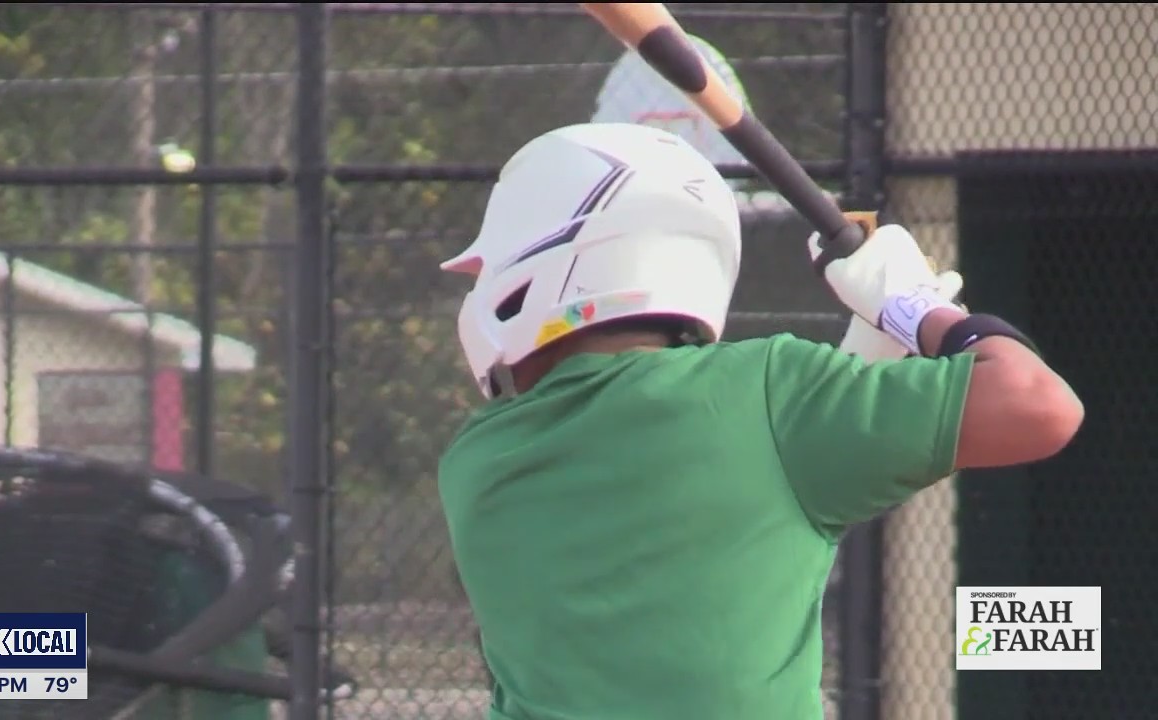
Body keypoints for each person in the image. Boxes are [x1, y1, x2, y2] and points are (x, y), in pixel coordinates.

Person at [435, 122, 1083, 720]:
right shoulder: (772, 394)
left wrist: (855, 371)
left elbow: (741, 513)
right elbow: (1037, 405)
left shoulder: (477, 461)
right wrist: (912, 308)